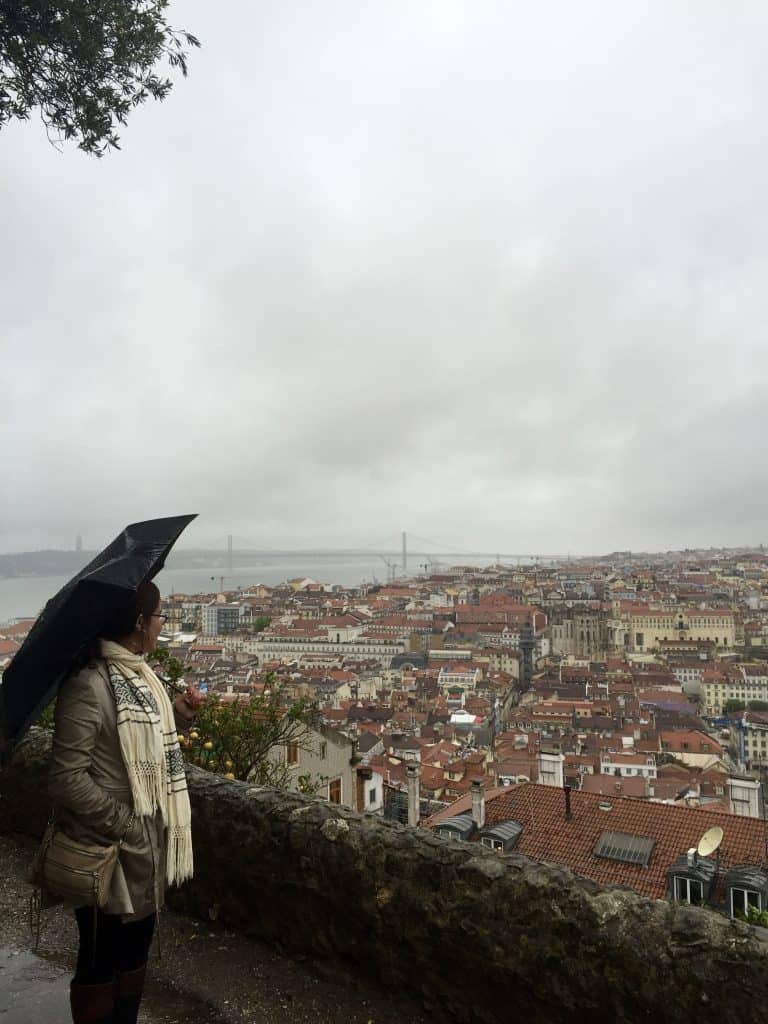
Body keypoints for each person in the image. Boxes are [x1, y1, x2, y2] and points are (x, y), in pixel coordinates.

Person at [48, 580, 203, 1024]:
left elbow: (138, 745)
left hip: (143, 852)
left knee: (134, 958)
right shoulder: (88, 685)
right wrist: (127, 823)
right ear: (139, 622)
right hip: (105, 850)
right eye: (159, 617)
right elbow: (67, 778)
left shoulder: (141, 679)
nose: (161, 626)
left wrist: (177, 716)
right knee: (98, 959)